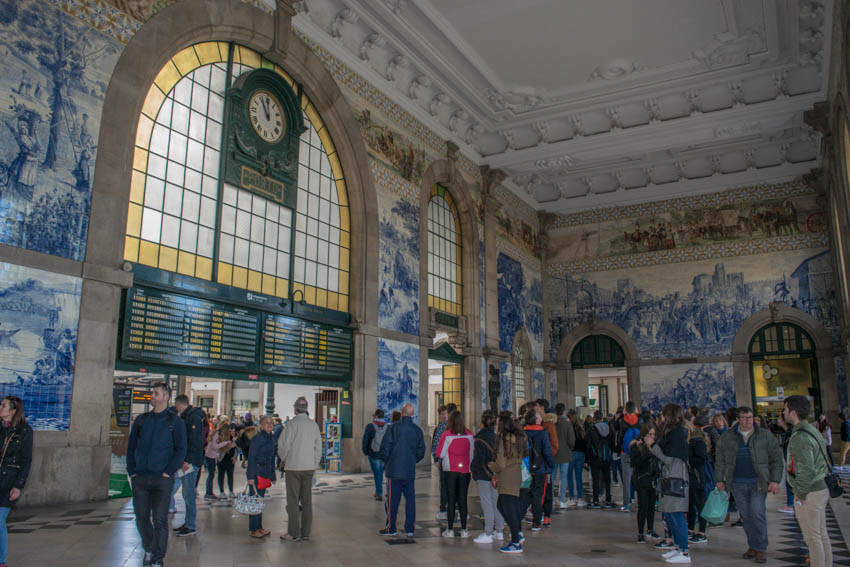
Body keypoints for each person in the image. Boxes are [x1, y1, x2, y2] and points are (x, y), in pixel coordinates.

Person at [127, 383, 187, 567]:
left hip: (162, 479)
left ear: (166, 397)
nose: (152, 395)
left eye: (156, 393)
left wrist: (168, 472)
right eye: (152, 392)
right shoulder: (141, 420)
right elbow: (131, 447)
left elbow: (181, 449)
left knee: (160, 519)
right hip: (141, 477)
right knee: (141, 517)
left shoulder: (175, 422)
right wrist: (132, 471)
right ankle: (149, 547)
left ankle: (157, 557)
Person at [715, 407, 783, 564]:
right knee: (746, 516)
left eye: (750, 417)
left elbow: (776, 459)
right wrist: (720, 479)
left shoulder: (764, 435)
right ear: (738, 419)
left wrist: (775, 480)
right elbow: (720, 460)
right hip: (737, 482)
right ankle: (753, 545)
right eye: (744, 417)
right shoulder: (728, 437)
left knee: (757, 513)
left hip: (758, 482)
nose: (748, 420)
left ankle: (761, 548)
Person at [784, 395, 833, 567]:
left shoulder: (800, 436)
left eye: (785, 409)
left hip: (810, 491)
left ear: (793, 412)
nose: (783, 413)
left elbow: (805, 469)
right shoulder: (811, 430)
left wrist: (801, 494)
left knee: (812, 537)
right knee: (820, 534)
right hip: (819, 488)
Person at [649, 404, 691, 564]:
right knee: (671, 514)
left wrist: (652, 446)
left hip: (676, 478)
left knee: (676, 514)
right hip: (670, 477)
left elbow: (669, 459)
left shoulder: (677, 434)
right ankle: (678, 547)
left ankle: (685, 551)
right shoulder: (672, 433)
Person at [278, 396, 322, 542]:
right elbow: (318, 448)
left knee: (292, 500)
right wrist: (314, 463)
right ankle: (306, 533)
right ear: (307, 408)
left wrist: (284, 459)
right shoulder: (313, 425)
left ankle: (293, 532)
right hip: (309, 467)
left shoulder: (291, 424)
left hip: (293, 467)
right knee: (307, 501)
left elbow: (284, 446)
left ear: (295, 408)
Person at [379, 403, 426, 537]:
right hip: (409, 471)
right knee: (410, 500)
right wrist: (412, 460)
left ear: (402, 412)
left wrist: (388, 462)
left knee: (392, 501)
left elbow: (385, 448)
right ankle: (410, 529)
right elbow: (421, 450)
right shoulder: (417, 430)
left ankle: (391, 528)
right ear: (412, 414)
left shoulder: (393, 428)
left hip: (394, 471)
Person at [0, 396, 32, 567]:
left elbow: (26, 461)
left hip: (8, 481)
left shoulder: (24, 431)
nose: (0, 407)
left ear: (13, 411)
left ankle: (1, 560)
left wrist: (18, 486)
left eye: (4, 406)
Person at [490, 412, 526, 554]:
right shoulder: (517, 437)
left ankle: (516, 540)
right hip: (515, 474)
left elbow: (501, 462)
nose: (496, 425)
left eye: (498, 423)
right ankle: (517, 533)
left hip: (506, 476)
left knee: (507, 507)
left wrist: (492, 466)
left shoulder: (502, 438)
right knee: (507, 506)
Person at [435, 411, 474, 538]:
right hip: (465, 471)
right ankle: (464, 530)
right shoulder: (469, 434)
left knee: (451, 499)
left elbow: (440, 454)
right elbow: (472, 452)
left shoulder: (447, 435)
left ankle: (450, 529)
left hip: (450, 470)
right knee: (463, 499)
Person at [171, 394, 204, 540]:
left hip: (190, 463)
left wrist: (187, 461)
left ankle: (190, 525)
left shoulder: (192, 418)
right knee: (186, 493)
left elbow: (195, 442)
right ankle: (188, 523)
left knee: (188, 494)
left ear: (179, 404)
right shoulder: (187, 417)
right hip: (188, 461)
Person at [471, 410, 504, 543]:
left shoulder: (479, 439)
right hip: (496, 475)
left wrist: (475, 470)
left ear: (482, 422)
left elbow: (479, 460)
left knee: (487, 504)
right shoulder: (497, 437)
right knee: (496, 503)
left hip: (483, 476)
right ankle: (499, 531)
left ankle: (488, 532)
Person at [521, 410, 554, 531]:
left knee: (526, 493)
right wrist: (550, 465)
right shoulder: (542, 432)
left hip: (526, 468)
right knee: (538, 494)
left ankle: (518, 517)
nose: (541, 418)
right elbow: (547, 450)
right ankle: (536, 522)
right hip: (540, 468)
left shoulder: (522, 432)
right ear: (535, 419)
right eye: (539, 416)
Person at [630, 422, 661, 543]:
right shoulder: (636, 446)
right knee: (643, 506)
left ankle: (650, 529)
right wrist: (647, 452)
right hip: (641, 478)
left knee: (652, 506)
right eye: (649, 434)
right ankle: (640, 532)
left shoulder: (655, 445)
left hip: (653, 478)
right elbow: (635, 463)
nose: (652, 437)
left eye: (654, 434)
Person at [246, 415, 276, 538]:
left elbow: (271, 458)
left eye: (271, 423)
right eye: (266, 423)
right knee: (255, 501)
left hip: (264, 473)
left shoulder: (270, 438)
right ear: (261, 425)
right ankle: (254, 529)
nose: (269, 425)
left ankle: (259, 527)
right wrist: (251, 476)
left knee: (260, 501)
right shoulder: (257, 439)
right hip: (257, 473)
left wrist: (272, 475)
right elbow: (251, 457)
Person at [685, 417, 709, 545]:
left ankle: (702, 532)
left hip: (697, 477)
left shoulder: (697, 442)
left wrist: (688, 461)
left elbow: (701, 459)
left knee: (700, 505)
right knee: (690, 505)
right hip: (692, 477)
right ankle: (690, 529)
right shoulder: (692, 442)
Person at [536, 400, 558, 525]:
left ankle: (547, 514)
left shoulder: (549, 424)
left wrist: (546, 458)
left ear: (542, 408)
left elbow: (554, 445)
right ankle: (537, 513)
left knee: (547, 488)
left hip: (544, 462)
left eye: (537, 406)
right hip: (537, 462)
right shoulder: (538, 422)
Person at [587, 409, 614, 509]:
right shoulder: (609, 427)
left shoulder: (592, 429)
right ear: (602, 417)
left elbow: (588, 444)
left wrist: (588, 458)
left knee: (596, 480)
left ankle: (595, 501)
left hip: (595, 458)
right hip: (606, 457)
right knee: (607, 479)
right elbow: (612, 443)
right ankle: (608, 500)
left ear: (594, 418)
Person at [431, 404, 454, 520]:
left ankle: (444, 510)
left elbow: (435, 444)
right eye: (441, 414)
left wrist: (436, 458)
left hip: (445, 460)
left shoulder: (441, 427)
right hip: (451, 460)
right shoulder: (449, 427)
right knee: (452, 485)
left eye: (445, 413)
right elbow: (435, 444)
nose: (444, 416)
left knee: (444, 485)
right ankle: (454, 509)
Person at [362, 409, 389, 501]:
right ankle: (387, 492)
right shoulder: (388, 427)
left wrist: (365, 451)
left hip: (374, 453)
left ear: (376, 416)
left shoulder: (370, 426)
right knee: (387, 474)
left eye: (374, 415)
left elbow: (365, 440)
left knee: (377, 474)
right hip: (385, 455)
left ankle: (379, 493)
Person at [205, 421, 235, 500]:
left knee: (212, 475)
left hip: (213, 457)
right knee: (211, 475)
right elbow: (215, 446)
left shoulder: (218, 435)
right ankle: (208, 493)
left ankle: (209, 492)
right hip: (210, 457)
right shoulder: (216, 435)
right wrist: (226, 443)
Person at [553, 402, 575, 509]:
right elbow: (571, 440)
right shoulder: (567, 424)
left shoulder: (551, 423)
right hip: (565, 453)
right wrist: (569, 448)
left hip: (553, 453)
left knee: (551, 478)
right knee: (563, 477)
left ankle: (551, 499)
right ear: (564, 411)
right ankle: (562, 500)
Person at [620, 403, 640, 511]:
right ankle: (639, 500)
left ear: (625, 410)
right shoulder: (639, 420)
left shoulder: (622, 421)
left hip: (625, 452)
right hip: (637, 452)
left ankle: (626, 504)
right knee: (639, 478)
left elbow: (619, 436)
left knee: (626, 479)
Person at [567, 410, 587, 507]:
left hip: (571, 453)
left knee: (569, 476)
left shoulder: (569, 428)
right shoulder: (581, 428)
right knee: (579, 477)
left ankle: (572, 497)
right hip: (581, 454)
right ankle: (580, 498)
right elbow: (585, 443)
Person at [217, 421, 237, 500]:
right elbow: (220, 449)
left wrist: (235, 457)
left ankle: (231, 491)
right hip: (222, 459)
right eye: (231, 431)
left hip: (230, 459)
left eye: (234, 431)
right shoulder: (221, 439)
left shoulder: (234, 439)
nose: (232, 432)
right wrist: (230, 446)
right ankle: (221, 491)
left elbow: (237, 449)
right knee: (221, 475)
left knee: (230, 475)